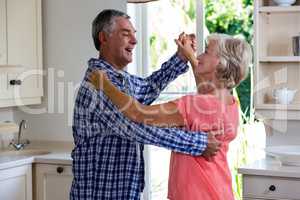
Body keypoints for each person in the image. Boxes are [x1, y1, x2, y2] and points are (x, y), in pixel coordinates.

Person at [70, 9, 221, 200]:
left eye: (134, 34)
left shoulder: (119, 80)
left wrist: (180, 58)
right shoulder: (99, 85)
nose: (134, 40)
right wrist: (200, 143)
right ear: (103, 38)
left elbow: (148, 88)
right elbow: (138, 127)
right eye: (126, 34)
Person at [89, 33, 252, 200]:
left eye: (207, 52)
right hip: (219, 190)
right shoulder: (230, 103)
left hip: (195, 194)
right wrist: (188, 55)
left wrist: (105, 85)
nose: (200, 55)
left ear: (220, 63)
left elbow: (138, 113)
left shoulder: (195, 105)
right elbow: (205, 86)